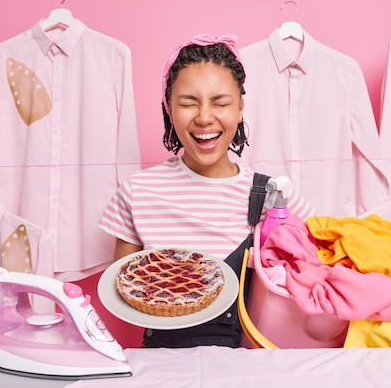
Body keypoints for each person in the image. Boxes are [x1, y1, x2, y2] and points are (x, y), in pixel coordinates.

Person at [98, 34, 315, 348]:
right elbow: (124, 289)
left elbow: (311, 276)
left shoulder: (273, 194)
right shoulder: (137, 191)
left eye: (220, 102)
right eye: (188, 103)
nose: (203, 117)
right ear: (169, 109)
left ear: (241, 107)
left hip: (248, 367)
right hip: (162, 367)